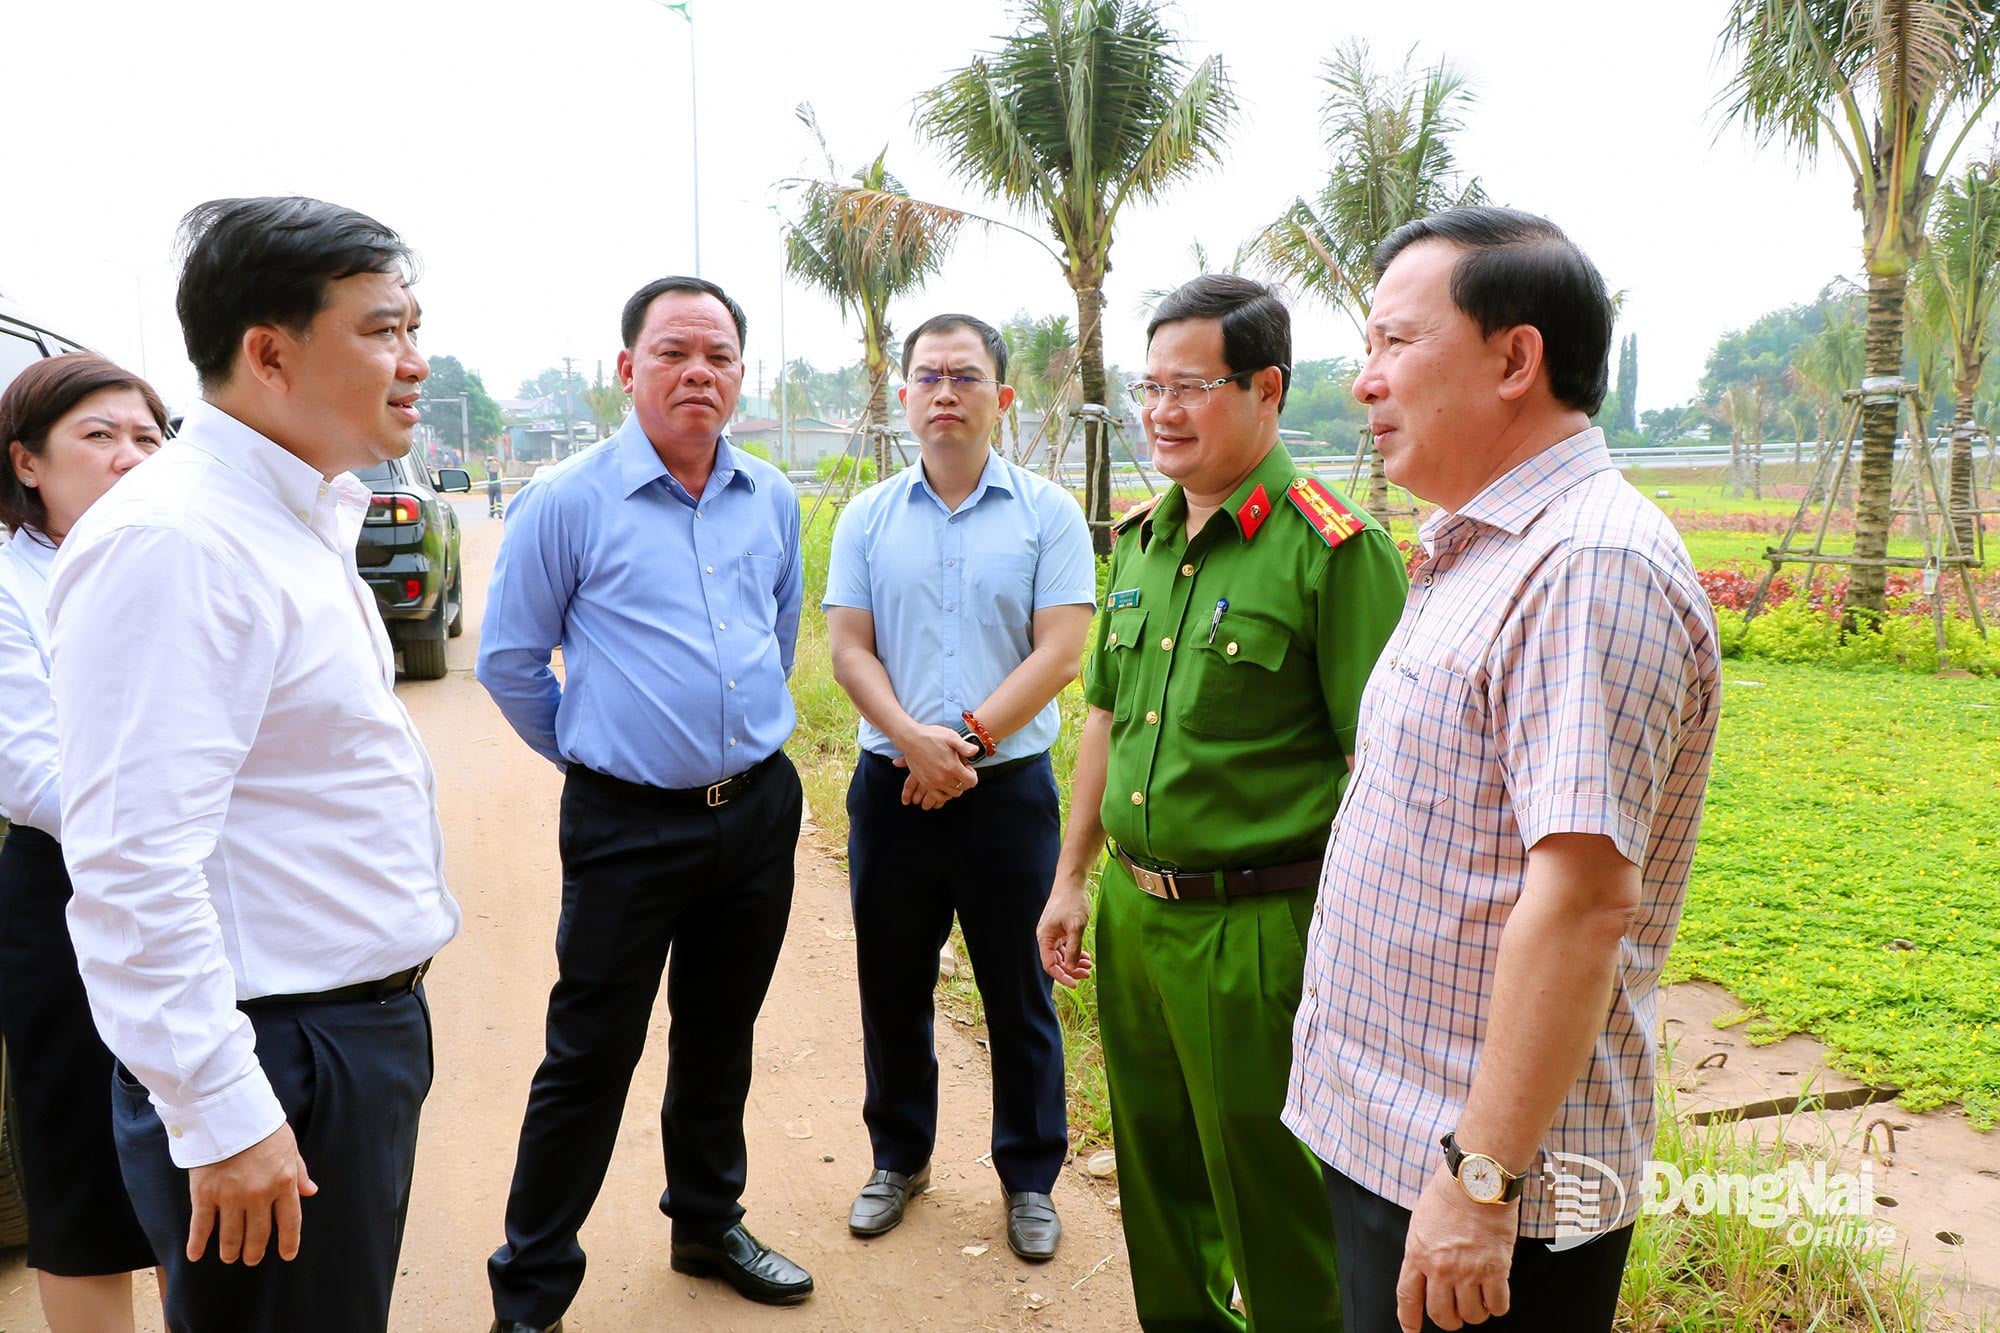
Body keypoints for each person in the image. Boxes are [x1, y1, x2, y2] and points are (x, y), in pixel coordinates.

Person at [1284, 206, 1722, 1333]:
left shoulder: (1586, 563)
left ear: (1514, 359)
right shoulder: (1483, 549)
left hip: (1489, 1188)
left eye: (1394, 342)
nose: (1364, 380)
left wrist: (1478, 1181)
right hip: (1397, 1136)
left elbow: (1582, 901)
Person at [48, 197, 461, 1333]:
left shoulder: (294, 513)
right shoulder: (178, 541)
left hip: (340, 1039)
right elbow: (132, 866)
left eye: (413, 327)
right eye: (382, 329)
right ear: (270, 353)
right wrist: (225, 1112)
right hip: (277, 1050)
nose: (415, 361)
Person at [1036, 275, 1409, 1330]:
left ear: (1265, 389)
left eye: (1190, 387)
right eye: (1150, 386)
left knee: (1268, 1190)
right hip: (1135, 914)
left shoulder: (1331, 549)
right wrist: (1072, 877)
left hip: (1259, 927)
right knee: (1155, 1174)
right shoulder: (1140, 540)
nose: (1162, 410)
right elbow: (1104, 717)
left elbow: (1380, 768)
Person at [477, 275, 810, 1332]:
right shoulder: (567, 500)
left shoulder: (772, 497)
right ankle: (531, 1290)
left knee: (720, 1033)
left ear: (741, 373)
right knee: (590, 1054)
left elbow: (778, 635)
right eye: (673, 352)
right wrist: (597, 757)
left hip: (755, 811)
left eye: (718, 355)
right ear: (627, 369)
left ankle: (706, 1221)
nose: (697, 372)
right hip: (626, 825)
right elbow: (509, 662)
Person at [824, 314, 1093, 1258]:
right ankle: (898, 1158)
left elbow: (1061, 652)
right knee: (892, 983)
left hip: (1006, 793)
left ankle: (1030, 1177)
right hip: (891, 789)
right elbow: (848, 647)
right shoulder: (867, 517)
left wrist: (965, 744)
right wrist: (911, 740)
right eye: (929, 375)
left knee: (1019, 990)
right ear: (903, 396)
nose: (946, 391)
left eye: (966, 376)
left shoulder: (1048, 514)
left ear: (1002, 398)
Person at [0, 354, 165, 1332]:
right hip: (67, 896)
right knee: (83, 1179)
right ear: (26, 461)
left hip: (197, 889)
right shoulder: (9, 584)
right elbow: (36, 775)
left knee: (205, 1158)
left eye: (147, 436)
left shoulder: (176, 564)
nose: (129, 456)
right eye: (98, 436)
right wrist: (187, 819)